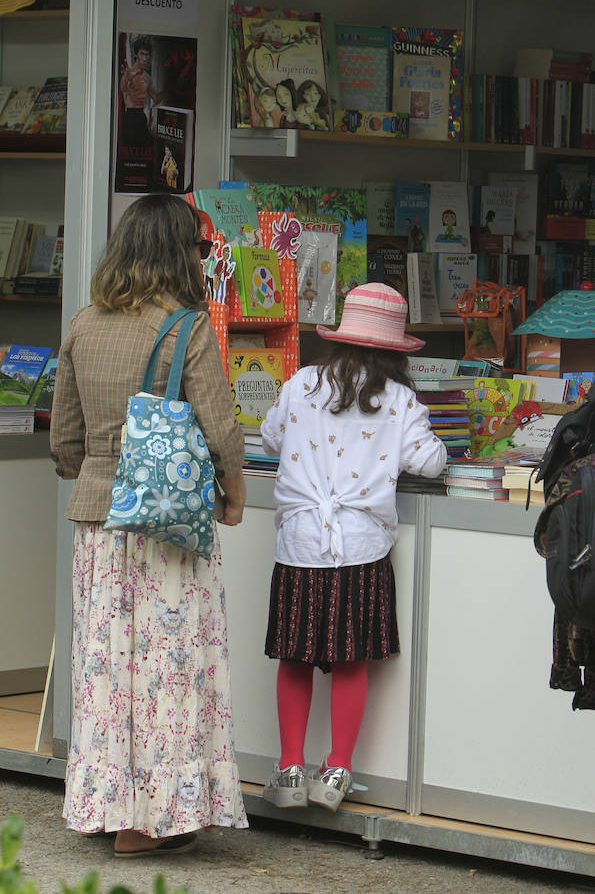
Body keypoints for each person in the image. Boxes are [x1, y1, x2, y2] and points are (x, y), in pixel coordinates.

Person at [50, 194, 248, 856]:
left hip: (99, 525)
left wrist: (101, 475)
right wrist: (234, 490)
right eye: (197, 246)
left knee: (107, 673)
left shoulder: (83, 324)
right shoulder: (186, 328)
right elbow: (220, 427)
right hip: (167, 529)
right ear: (178, 253)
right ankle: (155, 819)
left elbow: (64, 443)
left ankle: (111, 811)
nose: (202, 256)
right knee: (168, 673)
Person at [260, 283, 447, 811]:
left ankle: (290, 768)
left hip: (299, 544)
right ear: (392, 348)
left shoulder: (300, 384)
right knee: (350, 660)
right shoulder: (399, 400)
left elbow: (272, 438)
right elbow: (430, 462)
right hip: (361, 548)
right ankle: (337, 772)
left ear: (341, 338)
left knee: (294, 657)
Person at [119, 35, 164, 146]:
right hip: (129, 117)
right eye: (142, 54)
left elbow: (156, 98)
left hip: (141, 117)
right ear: (136, 55)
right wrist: (125, 77)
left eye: (147, 55)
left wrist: (169, 88)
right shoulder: (128, 73)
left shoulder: (147, 77)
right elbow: (123, 89)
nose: (145, 58)